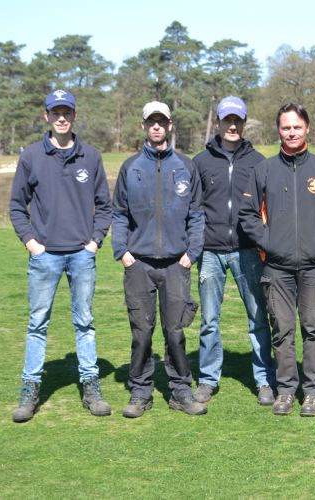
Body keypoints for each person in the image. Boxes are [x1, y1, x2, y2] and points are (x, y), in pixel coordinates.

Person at [9, 89, 112, 422]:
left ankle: (91, 387)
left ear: (75, 116)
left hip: (82, 255)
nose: (62, 117)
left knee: (85, 323)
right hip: (45, 256)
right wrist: (31, 243)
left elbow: (105, 207)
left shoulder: (92, 157)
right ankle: (30, 390)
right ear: (47, 117)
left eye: (67, 112)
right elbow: (16, 206)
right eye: (56, 112)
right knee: (38, 323)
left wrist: (95, 242)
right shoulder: (31, 156)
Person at [239, 103, 315, 417]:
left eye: (297, 126)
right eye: (286, 127)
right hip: (277, 267)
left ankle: (312, 393)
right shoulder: (264, 170)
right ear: (279, 130)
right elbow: (248, 214)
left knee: (313, 328)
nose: (292, 132)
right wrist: (270, 243)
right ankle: (286, 390)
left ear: (306, 128)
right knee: (282, 330)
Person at [111, 101, 206, 418]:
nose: (156, 126)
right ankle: (140, 391)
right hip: (138, 264)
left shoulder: (185, 167)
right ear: (143, 126)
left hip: (176, 264)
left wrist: (192, 253)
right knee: (141, 333)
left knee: (176, 333)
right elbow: (119, 214)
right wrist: (123, 253)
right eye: (151, 121)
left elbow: (197, 215)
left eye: (161, 121)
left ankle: (180, 390)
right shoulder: (131, 168)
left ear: (169, 125)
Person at [192, 96, 276, 406]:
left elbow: (267, 208)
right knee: (209, 320)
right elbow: (194, 207)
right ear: (218, 122)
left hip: (247, 251)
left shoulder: (258, 163)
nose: (232, 125)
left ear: (244, 122)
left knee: (258, 318)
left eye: (237, 120)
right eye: (226, 119)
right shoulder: (201, 162)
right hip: (211, 252)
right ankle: (207, 379)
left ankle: (265, 380)